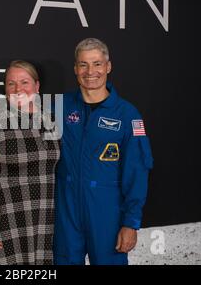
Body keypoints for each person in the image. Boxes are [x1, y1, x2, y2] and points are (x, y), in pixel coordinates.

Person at [54, 38, 153, 265]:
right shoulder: (59, 106)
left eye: (97, 64)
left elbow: (137, 171)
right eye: (83, 64)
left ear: (108, 67)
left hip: (107, 215)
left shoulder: (127, 115)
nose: (91, 72)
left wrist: (131, 223)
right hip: (67, 213)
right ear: (75, 69)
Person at [0, 60, 60, 264]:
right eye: (11, 84)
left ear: (37, 87)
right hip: (7, 219)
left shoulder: (50, 121)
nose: (18, 89)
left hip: (44, 220)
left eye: (24, 82)